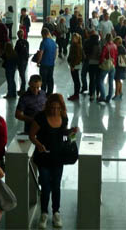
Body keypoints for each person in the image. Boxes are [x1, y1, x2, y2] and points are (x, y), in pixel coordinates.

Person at [28, 94, 78, 229]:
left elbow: (64, 134)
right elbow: (31, 135)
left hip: (58, 157)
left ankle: (56, 212)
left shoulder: (63, 117)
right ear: (48, 106)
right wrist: (38, 145)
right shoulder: (40, 117)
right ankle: (44, 213)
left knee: (56, 185)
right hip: (44, 157)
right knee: (45, 186)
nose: (55, 110)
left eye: (58, 108)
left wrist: (72, 132)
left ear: (61, 108)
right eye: (52, 107)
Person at [98, 34, 118, 103]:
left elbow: (102, 56)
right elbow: (116, 55)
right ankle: (109, 97)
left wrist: (100, 63)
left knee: (100, 80)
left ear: (106, 39)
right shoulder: (115, 45)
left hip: (106, 66)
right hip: (113, 65)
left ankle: (103, 96)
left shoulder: (106, 46)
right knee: (111, 82)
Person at [37, 28, 57, 96]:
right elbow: (55, 54)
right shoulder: (53, 42)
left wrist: (38, 62)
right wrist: (53, 60)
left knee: (43, 80)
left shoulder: (43, 42)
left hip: (44, 64)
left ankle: (43, 94)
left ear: (42, 34)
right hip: (51, 64)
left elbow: (41, 53)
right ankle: (50, 93)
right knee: (50, 78)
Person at [84, 33, 101, 101]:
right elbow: (100, 55)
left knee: (91, 80)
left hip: (90, 64)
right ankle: (97, 94)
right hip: (97, 64)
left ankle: (91, 95)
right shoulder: (98, 46)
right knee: (97, 80)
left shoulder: (89, 46)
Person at [67, 33, 83, 101]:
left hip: (75, 65)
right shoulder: (75, 45)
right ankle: (76, 94)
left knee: (76, 80)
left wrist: (72, 65)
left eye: (75, 38)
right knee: (76, 80)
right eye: (73, 38)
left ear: (78, 39)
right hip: (74, 64)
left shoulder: (77, 46)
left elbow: (77, 57)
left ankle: (76, 95)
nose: (73, 39)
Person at [14, 29, 30, 96]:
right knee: (23, 74)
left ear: (18, 35)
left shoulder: (18, 42)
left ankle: (22, 89)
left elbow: (16, 52)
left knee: (22, 75)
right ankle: (22, 89)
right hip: (25, 60)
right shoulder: (26, 42)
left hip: (20, 60)